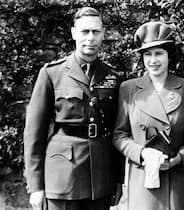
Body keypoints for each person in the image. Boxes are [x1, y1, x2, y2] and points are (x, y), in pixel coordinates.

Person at [24, 7, 124, 210]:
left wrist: (118, 180)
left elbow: (118, 131)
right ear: (73, 33)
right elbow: (34, 133)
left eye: (96, 32)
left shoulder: (113, 76)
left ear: (103, 34)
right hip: (62, 175)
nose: (90, 38)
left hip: (100, 177)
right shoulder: (52, 73)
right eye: (84, 31)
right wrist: (35, 186)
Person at [112, 21, 184, 210]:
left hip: (176, 181)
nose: (153, 60)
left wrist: (180, 158)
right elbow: (119, 135)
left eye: (159, 53)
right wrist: (141, 153)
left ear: (169, 56)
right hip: (142, 179)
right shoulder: (128, 89)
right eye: (147, 54)